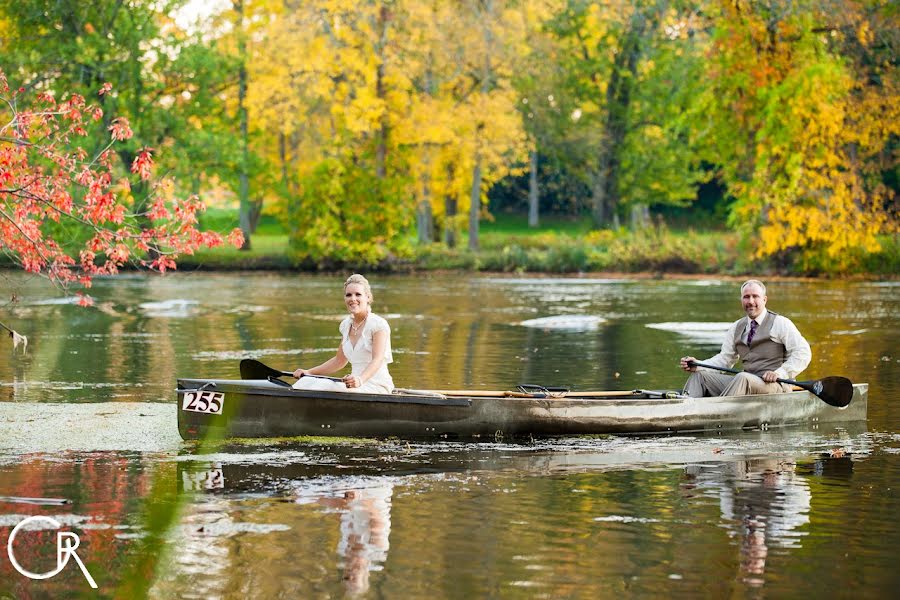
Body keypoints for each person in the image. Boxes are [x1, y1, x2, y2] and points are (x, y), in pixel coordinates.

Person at [679, 279, 811, 397]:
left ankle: (718, 415)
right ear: (741, 300)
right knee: (700, 376)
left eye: (755, 296)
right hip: (745, 384)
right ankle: (683, 412)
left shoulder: (780, 323)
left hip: (776, 386)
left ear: (764, 299)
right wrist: (699, 365)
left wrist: (780, 373)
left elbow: (803, 353)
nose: (751, 301)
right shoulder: (736, 327)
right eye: (746, 297)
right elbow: (725, 359)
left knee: (742, 377)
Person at [292, 274, 394, 394]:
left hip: (376, 386)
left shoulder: (378, 324)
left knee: (325, 385)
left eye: (358, 294)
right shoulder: (346, 325)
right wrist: (309, 372)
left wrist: (360, 379)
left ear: (367, 297)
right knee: (306, 382)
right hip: (353, 385)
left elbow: (377, 359)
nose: (353, 299)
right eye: (348, 295)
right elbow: (339, 361)